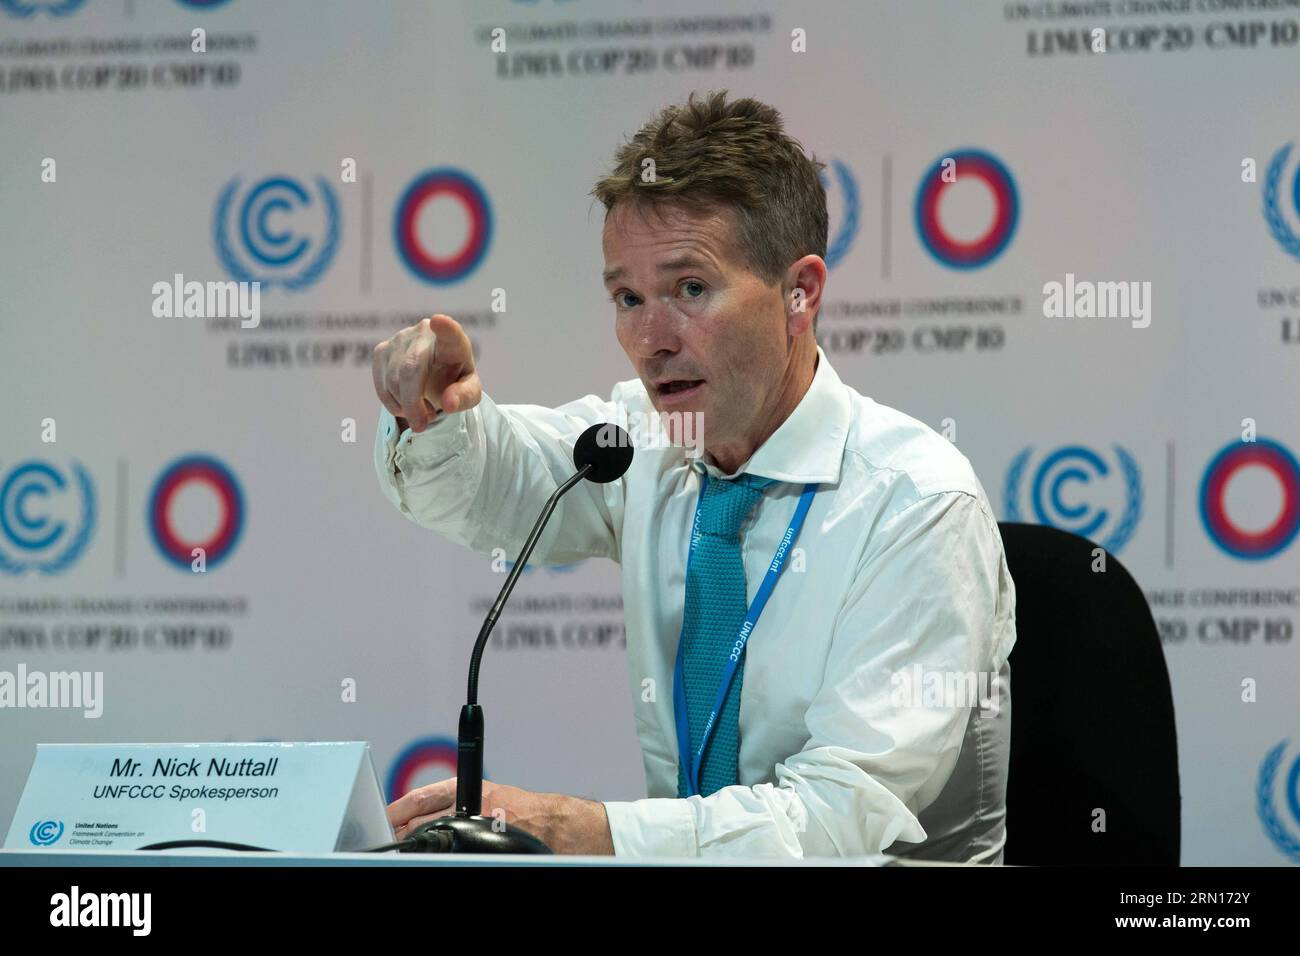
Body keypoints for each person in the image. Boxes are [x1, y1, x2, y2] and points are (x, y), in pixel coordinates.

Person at [372, 90, 1016, 860]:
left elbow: (841, 821)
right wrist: (432, 414)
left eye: (690, 290)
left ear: (799, 293)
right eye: (627, 297)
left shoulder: (916, 506)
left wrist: (582, 832)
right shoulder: (642, 443)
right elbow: (491, 487)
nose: (649, 338)